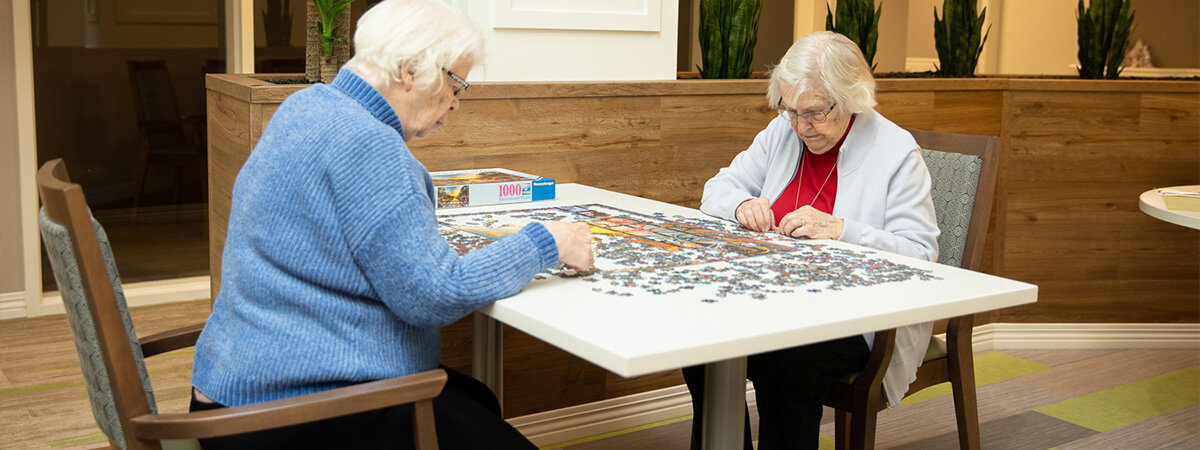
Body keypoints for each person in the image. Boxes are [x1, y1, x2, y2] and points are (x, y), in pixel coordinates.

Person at [189, 1, 593, 448]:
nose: (456, 104)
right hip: (289, 412)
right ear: (411, 70)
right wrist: (547, 241)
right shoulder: (371, 146)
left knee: (476, 397)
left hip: (236, 387)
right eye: (456, 84)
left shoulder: (306, 105)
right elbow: (434, 295)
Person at [687, 31, 940, 450]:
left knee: (787, 361)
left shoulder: (897, 153)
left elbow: (921, 255)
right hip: (772, 300)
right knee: (699, 343)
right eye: (791, 111)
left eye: (815, 113)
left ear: (853, 97)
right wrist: (742, 205)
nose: (802, 127)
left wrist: (842, 229)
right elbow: (718, 188)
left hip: (858, 317)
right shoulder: (782, 132)